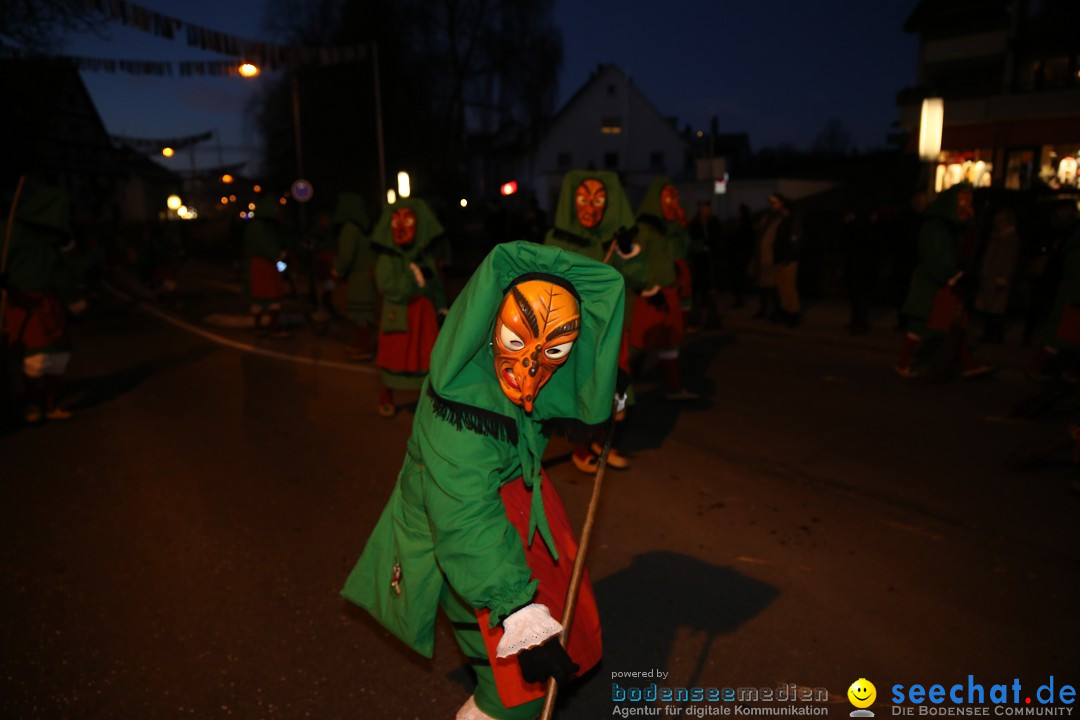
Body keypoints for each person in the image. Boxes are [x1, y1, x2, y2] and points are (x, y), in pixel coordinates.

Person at [342, 241, 624, 720]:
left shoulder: (511, 368)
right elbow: (465, 519)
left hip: (514, 504)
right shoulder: (460, 419)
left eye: (556, 349)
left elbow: (542, 397)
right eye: (518, 341)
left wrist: (597, 379)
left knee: (550, 632)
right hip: (471, 540)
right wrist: (518, 612)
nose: (533, 368)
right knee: (512, 692)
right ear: (492, 325)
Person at [544, 169, 637, 474]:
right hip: (577, 330)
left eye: (598, 201)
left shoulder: (615, 241)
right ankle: (581, 446)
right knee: (582, 390)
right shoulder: (557, 240)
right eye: (583, 200)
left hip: (610, 330)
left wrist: (629, 252)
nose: (590, 208)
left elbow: (640, 276)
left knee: (615, 391)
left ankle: (603, 442)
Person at [1, 182, 86, 423]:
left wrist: (72, 298)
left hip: (49, 304)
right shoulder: (11, 232)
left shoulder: (50, 242)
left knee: (58, 357)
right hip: (23, 302)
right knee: (35, 358)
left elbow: (60, 273)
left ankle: (50, 405)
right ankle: (30, 405)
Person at [894, 184, 995, 380]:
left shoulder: (951, 226)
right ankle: (903, 363)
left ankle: (967, 364)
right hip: (936, 284)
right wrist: (951, 275)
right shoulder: (934, 227)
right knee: (923, 323)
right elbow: (934, 257)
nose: (966, 208)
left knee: (957, 323)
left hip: (946, 282)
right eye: (962, 203)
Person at [372, 197, 447, 417]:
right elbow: (388, 286)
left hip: (424, 315)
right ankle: (387, 394)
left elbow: (435, 285)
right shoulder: (388, 256)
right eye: (397, 223)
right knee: (394, 356)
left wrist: (442, 307)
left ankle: (428, 401)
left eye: (409, 222)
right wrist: (415, 280)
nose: (402, 228)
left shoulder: (425, 254)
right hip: (399, 314)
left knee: (427, 357)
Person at [626, 177, 698, 400]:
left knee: (671, 341)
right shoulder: (644, 227)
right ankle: (621, 388)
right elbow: (632, 261)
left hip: (669, 292)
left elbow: (682, 251)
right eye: (668, 196)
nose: (672, 201)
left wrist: (680, 226)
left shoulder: (669, 228)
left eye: (675, 196)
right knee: (637, 344)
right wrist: (646, 286)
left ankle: (674, 387)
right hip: (649, 295)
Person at [331, 192, 377, 361]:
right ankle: (360, 344)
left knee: (360, 316)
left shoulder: (350, 228)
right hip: (369, 275)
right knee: (364, 315)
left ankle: (362, 347)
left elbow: (346, 255)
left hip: (358, 277)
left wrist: (337, 270)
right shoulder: (368, 227)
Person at [243, 195, 289, 338]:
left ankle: (262, 326)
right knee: (268, 296)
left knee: (262, 296)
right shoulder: (260, 226)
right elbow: (263, 245)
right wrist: (278, 255)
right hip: (263, 264)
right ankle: (271, 327)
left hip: (262, 263)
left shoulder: (265, 225)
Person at [974, 207, 1020, 344]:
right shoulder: (995, 236)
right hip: (989, 275)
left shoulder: (1010, 238)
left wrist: (1004, 276)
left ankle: (996, 336)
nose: (998, 223)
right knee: (988, 307)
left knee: (996, 308)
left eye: (1001, 220)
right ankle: (989, 334)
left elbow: (1010, 259)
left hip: (999, 276)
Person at [687, 200, 722, 326]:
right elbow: (692, 239)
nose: (705, 211)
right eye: (703, 208)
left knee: (710, 285)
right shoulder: (695, 223)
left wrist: (711, 245)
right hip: (699, 259)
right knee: (699, 283)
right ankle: (698, 313)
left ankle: (710, 314)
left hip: (711, 259)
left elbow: (718, 237)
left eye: (707, 208)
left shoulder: (713, 222)